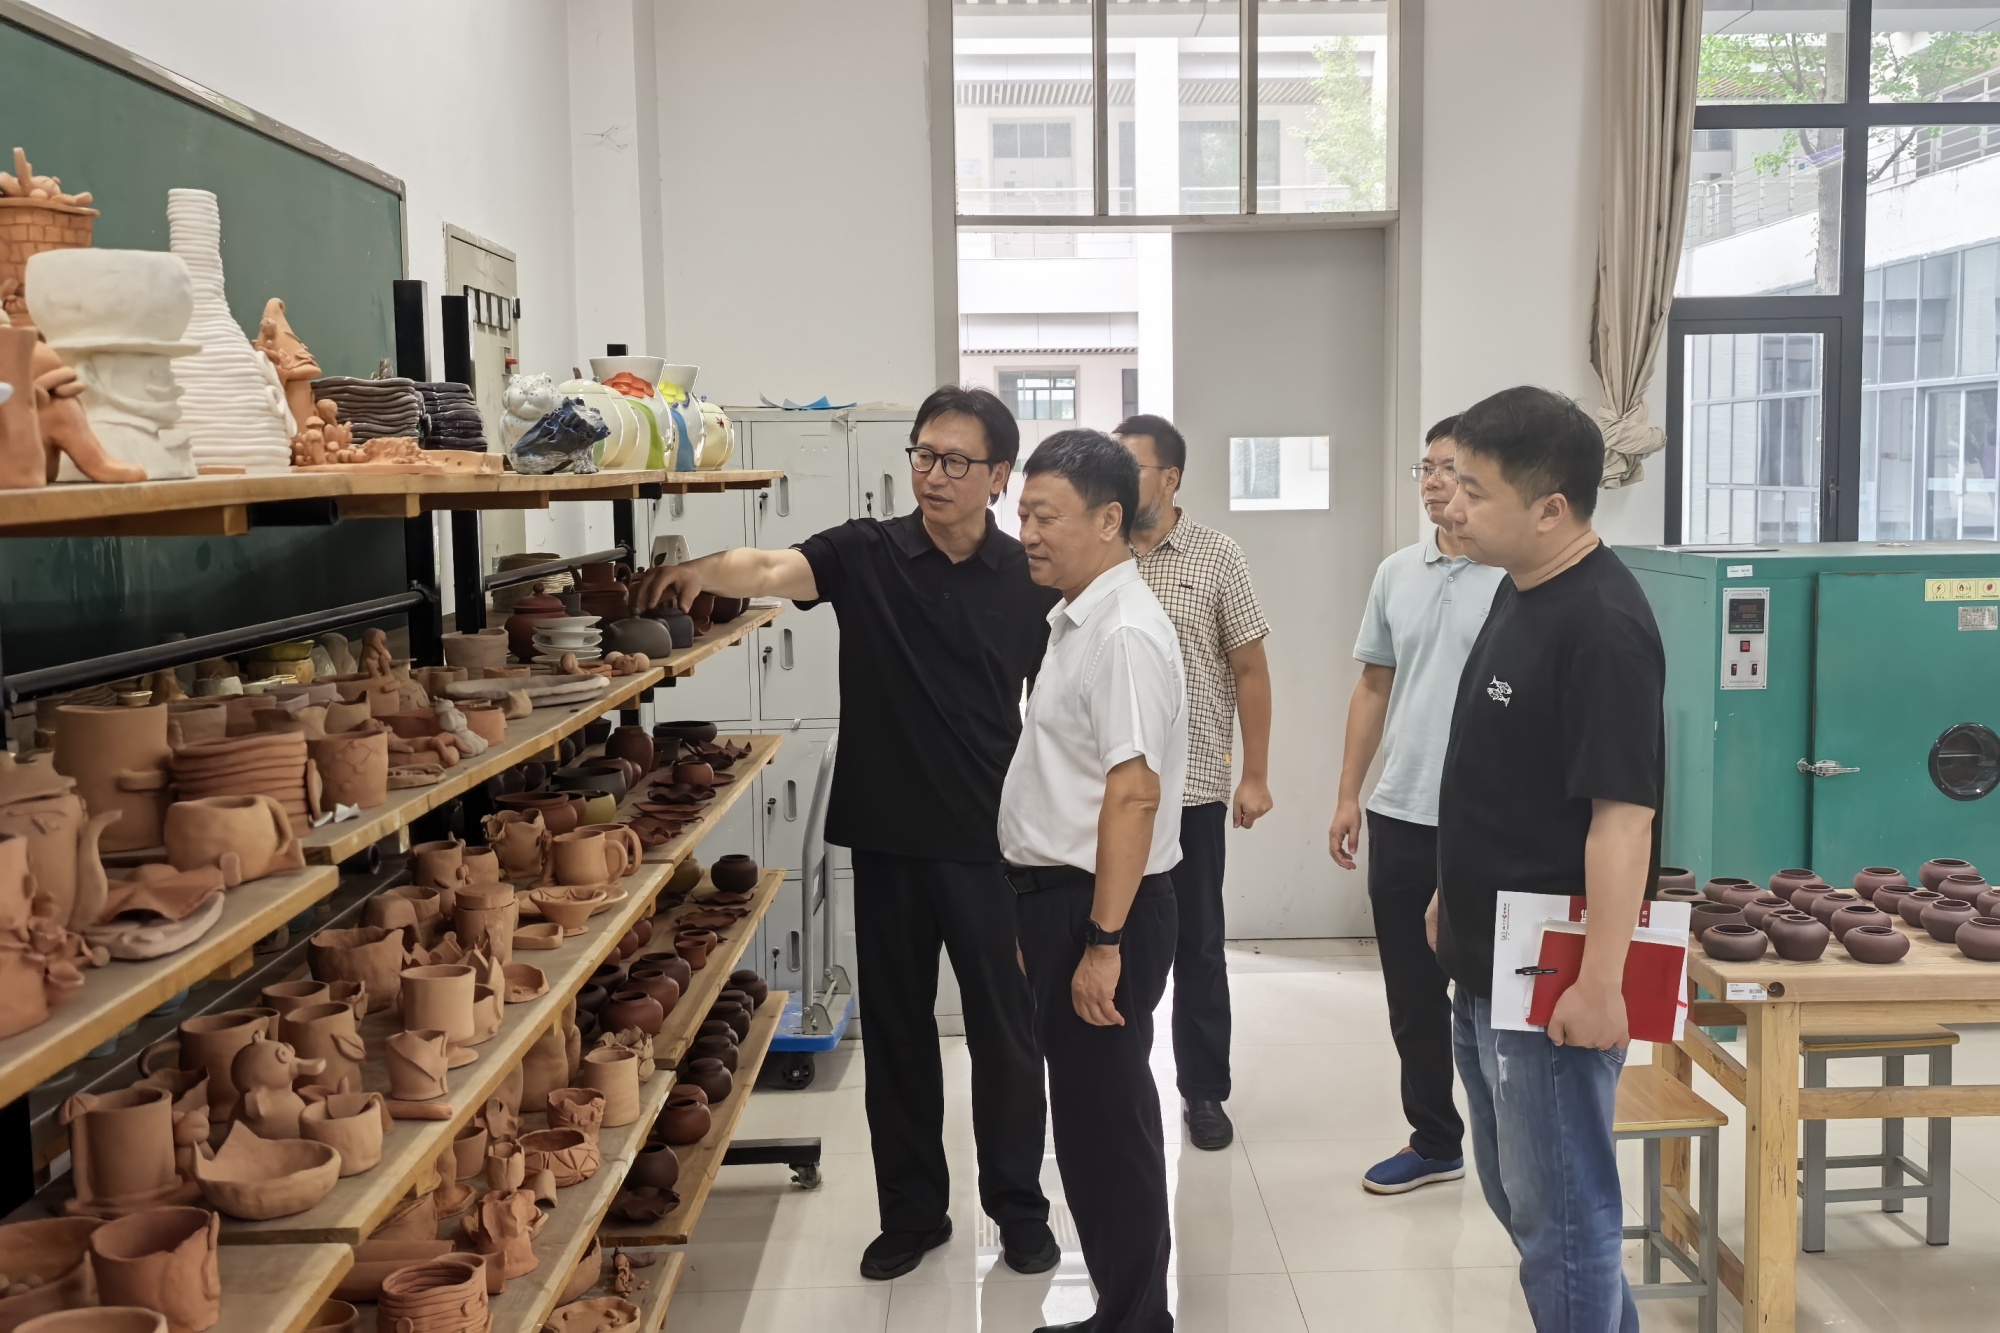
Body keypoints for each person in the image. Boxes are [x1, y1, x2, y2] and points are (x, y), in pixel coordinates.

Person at [635, 386, 1061, 1282]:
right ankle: (912, 1214)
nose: (932, 474)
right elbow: (771, 566)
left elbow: (1056, 714)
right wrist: (701, 567)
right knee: (899, 1037)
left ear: (998, 476)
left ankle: (1019, 1206)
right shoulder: (868, 552)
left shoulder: (1027, 577)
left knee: (1006, 1038)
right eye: (923, 453)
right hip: (890, 838)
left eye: (955, 460)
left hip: (992, 845)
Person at [1432, 386, 1664, 1331]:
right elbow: (1497, 773)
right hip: (1487, 956)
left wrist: (1601, 983)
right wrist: (1451, 892)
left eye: (1474, 490)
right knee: (1528, 1204)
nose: (1450, 504)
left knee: (1564, 1223)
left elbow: (1623, 821)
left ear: (1550, 508)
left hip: (1555, 980)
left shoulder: (1603, 625)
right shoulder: (1517, 588)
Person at [1000, 429, 1188, 1333]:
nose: (1028, 533)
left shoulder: (1121, 634)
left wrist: (1101, 942)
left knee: (1109, 1131)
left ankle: (1138, 1321)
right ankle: (1125, 1310)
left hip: (1101, 909)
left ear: (1109, 520)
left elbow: (1134, 793)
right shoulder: (1079, 617)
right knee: (1089, 1125)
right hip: (1067, 902)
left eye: (1047, 516)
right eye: (1024, 513)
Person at [1329, 415, 1503, 1195]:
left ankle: (1510, 1138)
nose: (1433, 481)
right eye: (1425, 467)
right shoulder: (1396, 571)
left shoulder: (1511, 578)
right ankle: (1435, 1139)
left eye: (1449, 467)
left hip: (1484, 819)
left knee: (1491, 990)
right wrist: (1349, 794)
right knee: (1411, 990)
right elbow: (1374, 684)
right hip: (1401, 809)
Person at [1115, 413, 1272, 1152]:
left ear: (1170, 477)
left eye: (1133, 467)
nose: (1118, 480)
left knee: (1199, 947)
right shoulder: (1100, 549)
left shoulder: (1217, 556)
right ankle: (1122, 1082)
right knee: (1115, 942)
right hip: (1116, 795)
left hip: (1196, 790)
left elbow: (1250, 669)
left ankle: (1204, 1090)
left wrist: (1256, 774)